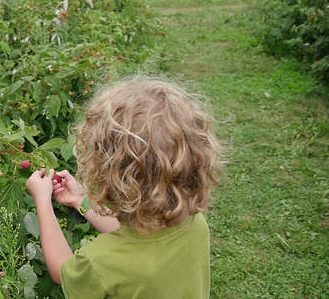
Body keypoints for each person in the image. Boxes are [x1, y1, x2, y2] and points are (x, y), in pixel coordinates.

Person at [26, 77, 223, 298]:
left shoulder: (101, 262)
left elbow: (63, 273)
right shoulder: (194, 223)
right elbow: (138, 239)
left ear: (109, 173)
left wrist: (43, 202)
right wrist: (81, 200)